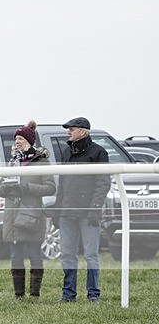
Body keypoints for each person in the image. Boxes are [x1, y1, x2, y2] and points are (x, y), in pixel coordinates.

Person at [0, 121, 56, 300]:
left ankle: (35, 294)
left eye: (20, 138)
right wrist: (6, 188)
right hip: (12, 216)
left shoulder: (41, 161)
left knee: (35, 255)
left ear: (29, 140)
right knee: (15, 257)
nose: (17, 141)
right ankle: (18, 295)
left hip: (31, 215)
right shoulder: (13, 162)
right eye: (16, 139)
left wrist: (26, 187)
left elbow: (50, 188)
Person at [53, 117, 109, 302]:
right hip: (66, 213)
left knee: (91, 255)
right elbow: (62, 184)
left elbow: (103, 184)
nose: (68, 131)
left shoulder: (99, 153)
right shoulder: (66, 152)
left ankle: (93, 294)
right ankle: (68, 294)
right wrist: (57, 210)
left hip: (87, 214)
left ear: (83, 132)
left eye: (72, 129)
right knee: (68, 255)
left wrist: (94, 210)